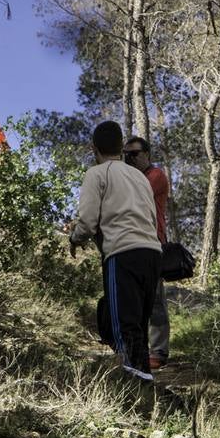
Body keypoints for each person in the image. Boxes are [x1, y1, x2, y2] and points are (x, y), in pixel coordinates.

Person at [68, 121, 161, 382]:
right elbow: (152, 217)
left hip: (122, 254)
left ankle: (134, 387)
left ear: (93, 148)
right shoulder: (140, 177)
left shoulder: (96, 174)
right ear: (121, 146)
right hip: (152, 253)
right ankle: (145, 380)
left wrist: (75, 238)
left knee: (123, 326)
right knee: (139, 326)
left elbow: (87, 222)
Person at [123, 135, 171, 371]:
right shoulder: (130, 177)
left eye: (134, 154)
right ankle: (138, 349)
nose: (130, 158)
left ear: (146, 154)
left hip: (154, 243)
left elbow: (134, 200)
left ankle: (159, 350)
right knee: (135, 299)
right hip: (131, 243)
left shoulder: (156, 176)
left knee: (155, 301)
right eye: (126, 154)